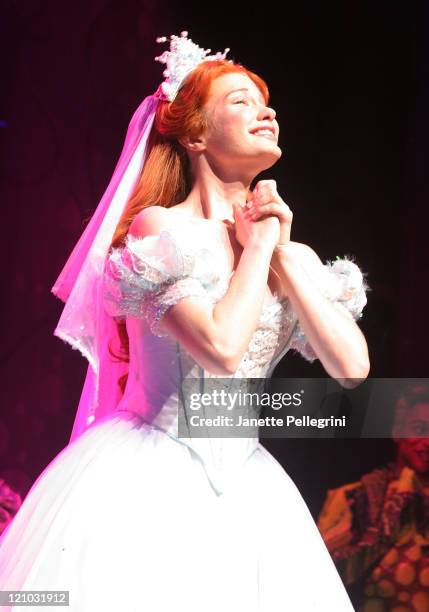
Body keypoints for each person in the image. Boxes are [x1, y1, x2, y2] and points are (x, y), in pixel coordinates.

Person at [0, 31, 370, 611]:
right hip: (147, 475)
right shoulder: (160, 231)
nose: (265, 110)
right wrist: (256, 251)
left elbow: (352, 369)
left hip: (249, 485)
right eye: (240, 101)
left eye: (265, 100)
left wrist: (279, 252)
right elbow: (221, 347)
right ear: (196, 134)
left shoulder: (284, 251)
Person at [317, 385, 429, 611]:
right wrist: (393, 509)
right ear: (398, 431)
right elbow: (319, 575)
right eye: (419, 429)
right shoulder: (355, 498)